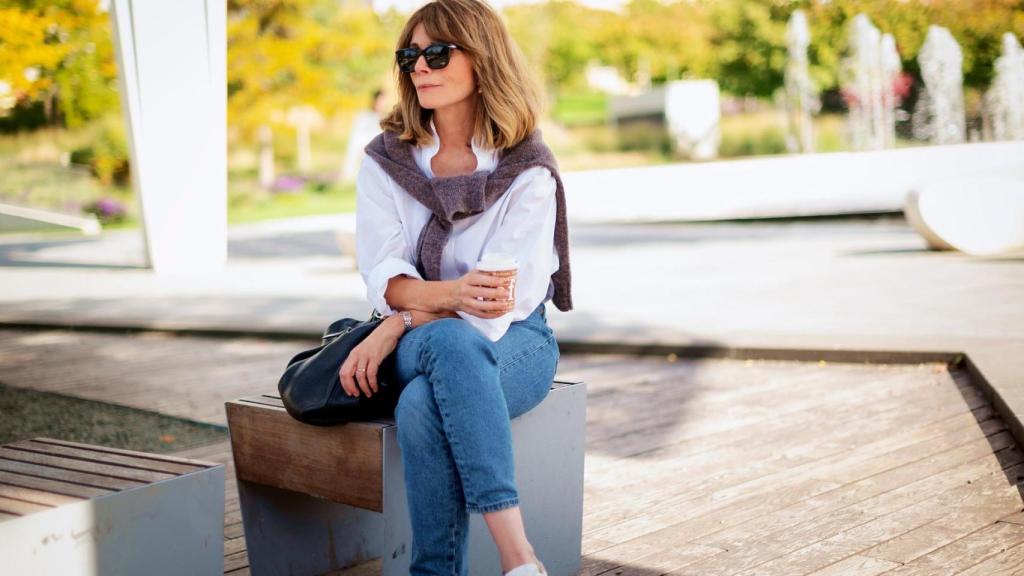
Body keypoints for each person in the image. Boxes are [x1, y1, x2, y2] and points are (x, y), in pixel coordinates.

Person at [339, 0, 574, 574]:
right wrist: (421, 306)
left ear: (482, 58)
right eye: (409, 55)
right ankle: (519, 558)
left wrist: (398, 320)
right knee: (449, 342)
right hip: (419, 340)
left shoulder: (527, 168)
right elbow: (384, 275)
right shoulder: (386, 161)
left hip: (518, 340)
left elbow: (496, 303)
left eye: (438, 53)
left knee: (423, 402)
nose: (420, 66)